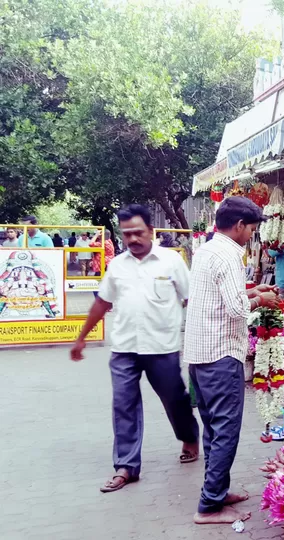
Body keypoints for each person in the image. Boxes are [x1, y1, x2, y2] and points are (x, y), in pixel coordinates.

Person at [70, 204, 200, 493]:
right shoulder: (117, 265)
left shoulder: (171, 261)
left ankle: (189, 437)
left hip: (162, 347)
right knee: (123, 405)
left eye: (138, 233)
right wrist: (81, 338)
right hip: (124, 348)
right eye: (126, 234)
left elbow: (192, 299)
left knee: (175, 400)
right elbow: (102, 302)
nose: (132, 239)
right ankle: (126, 466)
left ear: (151, 231)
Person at [184, 196, 278, 525]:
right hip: (221, 354)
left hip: (200, 353)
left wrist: (253, 293)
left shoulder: (208, 250)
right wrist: (261, 299)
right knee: (226, 429)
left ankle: (217, 490)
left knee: (213, 427)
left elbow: (224, 299)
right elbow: (237, 309)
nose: (251, 235)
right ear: (239, 226)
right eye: (251, 230)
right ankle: (209, 506)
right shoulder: (228, 255)